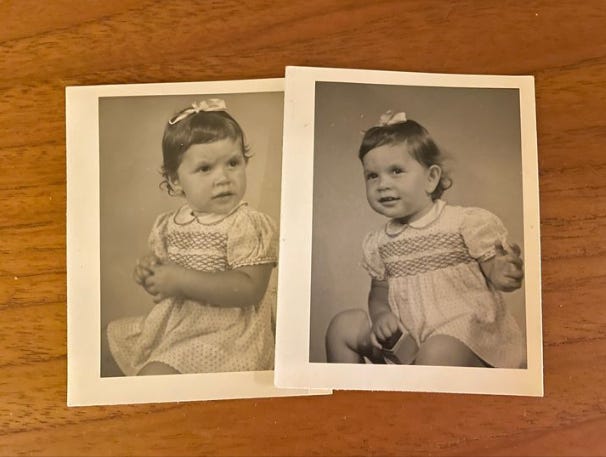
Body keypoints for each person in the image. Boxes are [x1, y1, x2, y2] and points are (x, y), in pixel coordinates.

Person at [325, 111, 526, 368]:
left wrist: (503, 271)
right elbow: (379, 292)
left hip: (464, 340)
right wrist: (381, 315)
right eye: (372, 175)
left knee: (437, 350)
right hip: (407, 342)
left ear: (431, 178)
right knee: (342, 327)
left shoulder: (463, 223)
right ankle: (347, 402)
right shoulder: (378, 243)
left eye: (396, 171)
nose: (382, 184)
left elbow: (493, 271)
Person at [106, 99, 277, 376]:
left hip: (227, 334)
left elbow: (250, 289)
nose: (223, 178)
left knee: (154, 375)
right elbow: (166, 283)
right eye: (205, 169)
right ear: (175, 180)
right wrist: (152, 273)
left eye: (232, 163)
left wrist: (180, 280)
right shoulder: (168, 224)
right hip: (177, 323)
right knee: (109, 339)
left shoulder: (247, 224)